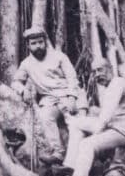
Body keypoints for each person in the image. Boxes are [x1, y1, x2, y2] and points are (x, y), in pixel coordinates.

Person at [61, 59, 125, 176]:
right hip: (117, 125)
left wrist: (96, 135)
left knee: (87, 144)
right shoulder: (111, 86)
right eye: (94, 72)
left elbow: (105, 117)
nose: (97, 74)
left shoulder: (117, 82)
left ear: (110, 69)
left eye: (100, 70)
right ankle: (70, 166)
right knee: (76, 124)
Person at [11, 27, 83, 161]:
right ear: (28, 45)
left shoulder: (59, 56)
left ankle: (76, 159)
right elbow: (15, 82)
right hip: (49, 100)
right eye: (34, 43)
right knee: (45, 117)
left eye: (40, 42)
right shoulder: (26, 64)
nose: (38, 46)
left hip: (67, 95)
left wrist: (72, 97)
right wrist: (23, 90)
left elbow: (72, 78)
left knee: (74, 123)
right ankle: (58, 153)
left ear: (45, 41)